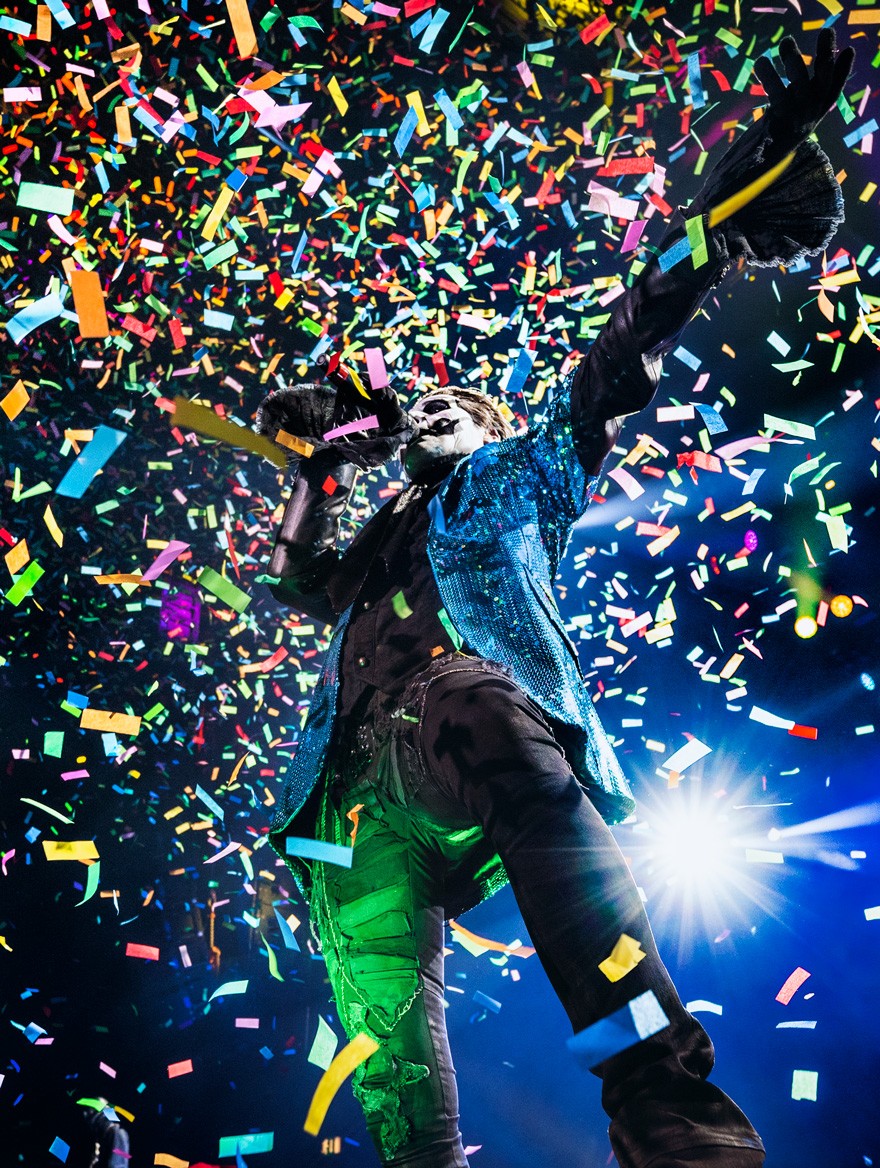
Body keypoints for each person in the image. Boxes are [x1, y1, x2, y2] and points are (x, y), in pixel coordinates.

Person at [256, 33, 853, 1168]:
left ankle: (668, 1110)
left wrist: (734, 203)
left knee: (507, 752)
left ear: (491, 427)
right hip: (347, 794)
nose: (428, 412)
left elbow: (629, 340)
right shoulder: (379, 539)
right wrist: (316, 470)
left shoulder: (529, 467)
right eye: (418, 409)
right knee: (377, 1008)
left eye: (452, 407)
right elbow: (294, 580)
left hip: (459, 709)